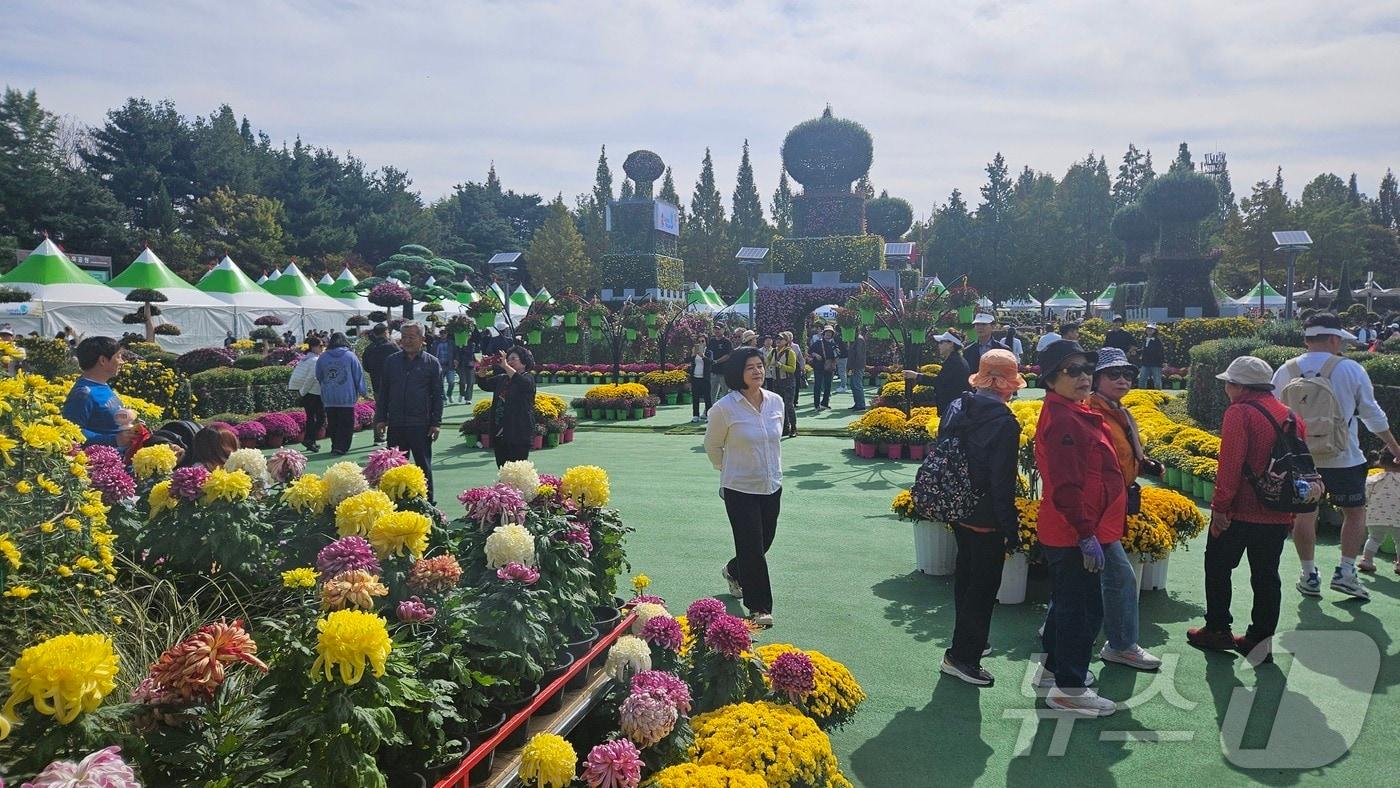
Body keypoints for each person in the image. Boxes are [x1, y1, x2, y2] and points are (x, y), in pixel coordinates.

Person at [1272, 312, 1400, 600]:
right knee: (1355, 513)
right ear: (1333, 338)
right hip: (1344, 455)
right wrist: (1394, 448)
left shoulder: (1285, 370)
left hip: (1300, 457)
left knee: (1305, 514)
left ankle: (1308, 575)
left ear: (1307, 339)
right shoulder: (1350, 369)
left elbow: (1275, 414)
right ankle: (1345, 571)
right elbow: (1372, 414)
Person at [1187, 356, 1305, 662]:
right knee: (1267, 576)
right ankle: (1259, 642)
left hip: (1240, 509)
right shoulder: (1290, 414)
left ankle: (1217, 629)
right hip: (1277, 509)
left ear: (1239, 386)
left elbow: (1230, 465)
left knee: (1217, 566)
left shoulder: (1240, 412)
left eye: (1229, 383)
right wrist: (1290, 512)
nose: (1227, 388)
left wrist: (1220, 508)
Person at [1034, 339, 1124, 717]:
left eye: (1087, 369)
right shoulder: (1066, 420)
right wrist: (1086, 533)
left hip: (1077, 529)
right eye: (1073, 370)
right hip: (1074, 531)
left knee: (1068, 605)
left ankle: (1056, 671)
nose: (1084, 376)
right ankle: (1069, 687)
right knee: (1082, 610)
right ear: (1052, 379)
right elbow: (1068, 486)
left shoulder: (1073, 411)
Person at [936, 350, 1024, 686]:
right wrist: (1012, 530)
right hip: (986, 514)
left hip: (957, 506)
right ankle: (962, 656)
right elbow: (1002, 483)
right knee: (983, 588)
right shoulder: (1004, 422)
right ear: (1006, 383)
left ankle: (969, 643)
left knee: (966, 579)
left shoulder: (959, 405)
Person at [1087, 348, 1163, 671]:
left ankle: (1056, 628)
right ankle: (1121, 644)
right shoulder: (1091, 411)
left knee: (1089, 574)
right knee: (1119, 576)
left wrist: (1143, 465)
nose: (1122, 380)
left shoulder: (1119, 411)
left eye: (1127, 374)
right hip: (1097, 509)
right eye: (1113, 374)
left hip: (1114, 505)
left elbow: (1121, 453)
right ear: (1097, 379)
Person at [703, 346, 784, 629]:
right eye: (750, 367)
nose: (757, 371)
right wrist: (726, 468)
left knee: (764, 542)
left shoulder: (776, 402)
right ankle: (759, 606)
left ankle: (734, 571)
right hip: (739, 488)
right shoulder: (725, 408)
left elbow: (775, 440)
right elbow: (712, 446)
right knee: (751, 545)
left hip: (771, 484)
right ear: (739, 373)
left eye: (760, 365)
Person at [374, 322, 444, 502]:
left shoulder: (431, 363)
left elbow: (438, 395)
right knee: (394, 465)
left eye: (411, 337)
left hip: (421, 424)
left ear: (422, 339)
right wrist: (381, 418)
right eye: (404, 337)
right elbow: (384, 392)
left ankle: (428, 502)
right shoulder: (392, 361)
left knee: (423, 465)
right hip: (396, 423)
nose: (407, 341)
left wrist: (436, 423)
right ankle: (395, 500)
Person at [63, 337, 128, 447]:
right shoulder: (83, 393)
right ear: (102, 360)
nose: (122, 362)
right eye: (118, 356)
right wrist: (115, 440)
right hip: (102, 461)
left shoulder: (102, 385)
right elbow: (71, 432)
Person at [479, 345, 537, 468]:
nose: (509, 362)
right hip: (500, 432)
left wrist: (505, 365)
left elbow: (522, 382)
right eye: (508, 359)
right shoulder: (503, 378)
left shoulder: (528, 378)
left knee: (518, 471)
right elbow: (484, 384)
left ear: (524, 362)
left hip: (519, 432)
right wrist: (483, 368)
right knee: (502, 469)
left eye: (513, 359)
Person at [317, 332, 367, 456]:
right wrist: (363, 392)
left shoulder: (323, 357)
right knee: (346, 424)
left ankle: (335, 445)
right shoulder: (350, 356)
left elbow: (319, 375)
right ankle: (342, 447)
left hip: (329, 397)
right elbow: (358, 375)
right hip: (346, 397)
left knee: (333, 423)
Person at [905, 331, 970, 416]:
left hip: (953, 408)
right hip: (954, 407)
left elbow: (939, 381)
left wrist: (916, 376)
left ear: (951, 344)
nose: (939, 345)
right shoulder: (955, 359)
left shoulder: (954, 361)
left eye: (941, 342)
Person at [1360, 450, 1400, 574]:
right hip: (1398, 518)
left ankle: (1367, 560)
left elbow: (1365, 496)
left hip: (1375, 516)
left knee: (1374, 538)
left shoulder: (1373, 479)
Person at [361, 324, 398, 445]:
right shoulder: (392, 346)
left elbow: (366, 366)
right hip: (394, 383)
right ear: (386, 332)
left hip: (377, 383)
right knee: (395, 410)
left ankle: (378, 436)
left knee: (380, 410)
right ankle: (395, 437)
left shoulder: (370, 348)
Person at [289, 335, 325, 452]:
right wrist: (303, 392)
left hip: (306, 391)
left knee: (311, 418)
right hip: (312, 392)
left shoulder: (305, 358)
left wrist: (301, 392)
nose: (322, 347)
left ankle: (310, 441)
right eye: (320, 345)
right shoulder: (315, 360)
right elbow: (311, 377)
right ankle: (309, 440)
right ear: (314, 347)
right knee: (320, 418)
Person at [770, 333, 799, 436]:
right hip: (776, 382)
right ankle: (784, 428)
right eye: (777, 338)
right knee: (780, 406)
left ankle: (794, 428)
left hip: (788, 382)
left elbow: (792, 369)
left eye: (781, 339)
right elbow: (767, 362)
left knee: (789, 405)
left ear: (786, 341)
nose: (778, 340)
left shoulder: (790, 352)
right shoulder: (773, 351)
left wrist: (781, 366)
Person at [809, 327, 840, 411]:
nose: (828, 334)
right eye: (827, 332)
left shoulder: (834, 344)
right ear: (824, 333)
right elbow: (810, 351)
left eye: (830, 332)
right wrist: (815, 355)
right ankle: (817, 405)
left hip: (829, 367)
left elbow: (837, 356)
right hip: (818, 367)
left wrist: (836, 357)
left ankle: (825, 403)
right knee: (817, 386)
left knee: (828, 386)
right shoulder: (818, 343)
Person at [689, 336, 712, 423]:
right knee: (695, 397)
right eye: (699, 341)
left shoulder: (709, 352)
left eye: (703, 341)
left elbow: (710, 362)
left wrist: (703, 356)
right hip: (695, 378)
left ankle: (709, 416)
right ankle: (695, 416)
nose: (701, 343)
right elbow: (687, 360)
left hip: (705, 378)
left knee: (707, 398)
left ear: (706, 342)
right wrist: (693, 355)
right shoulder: (694, 351)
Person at [707, 329, 734, 403]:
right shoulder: (712, 341)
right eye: (715, 329)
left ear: (723, 330)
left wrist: (716, 361)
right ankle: (709, 410)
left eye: (719, 329)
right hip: (713, 371)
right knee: (711, 392)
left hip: (724, 372)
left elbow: (728, 355)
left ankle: (727, 410)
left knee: (726, 392)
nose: (717, 331)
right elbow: (708, 352)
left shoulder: (727, 341)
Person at [431, 330, 458, 404]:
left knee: (451, 382)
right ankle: (444, 398)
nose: (443, 334)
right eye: (441, 333)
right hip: (439, 366)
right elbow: (432, 353)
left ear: (447, 334)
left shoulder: (451, 342)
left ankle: (449, 394)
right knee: (440, 383)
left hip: (450, 365)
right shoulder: (436, 343)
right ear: (439, 334)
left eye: (444, 333)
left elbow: (456, 352)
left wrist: (456, 360)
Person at [846, 326, 868, 411]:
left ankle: (861, 404)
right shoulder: (854, 339)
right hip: (854, 366)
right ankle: (857, 403)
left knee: (857, 385)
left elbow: (859, 355)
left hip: (857, 366)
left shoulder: (859, 339)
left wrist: (854, 367)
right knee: (853, 385)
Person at [1138, 323, 1164, 389]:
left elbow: (1160, 352)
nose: (1149, 330)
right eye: (1148, 329)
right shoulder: (1144, 339)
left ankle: (1159, 396)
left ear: (1154, 331)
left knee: (1157, 382)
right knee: (1142, 380)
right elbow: (1143, 350)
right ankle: (1141, 396)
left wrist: (1162, 362)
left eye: (1151, 329)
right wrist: (1136, 351)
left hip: (1156, 364)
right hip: (1145, 363)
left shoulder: (1157, 340)